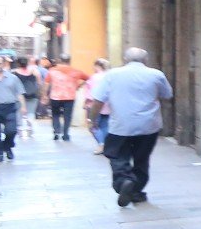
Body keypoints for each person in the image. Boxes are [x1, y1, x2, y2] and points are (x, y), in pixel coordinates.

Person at [88, 48, 172, 208]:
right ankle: (136, 192)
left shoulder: (112, 75)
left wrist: (92, 119)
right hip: (148, 125)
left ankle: (124, 180)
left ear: (125, 59)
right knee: (142, 159)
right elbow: (167, 94)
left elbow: (98, 100)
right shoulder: (156, 74)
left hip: (120, 125)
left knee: (117, 155)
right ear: (146, 60)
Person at [45, 60, 85, 140]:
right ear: (69, 61)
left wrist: (44, 95)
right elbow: (88, 78)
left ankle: (56, 132)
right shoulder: (76, 71)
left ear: (60, 61)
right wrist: (78, 85)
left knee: (55, 115)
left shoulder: (52, 71)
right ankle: (65, 134)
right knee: (67, 116)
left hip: (55, 97)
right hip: (69, 97)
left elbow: (46, 83)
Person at [84, 59, 112, 149]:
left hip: (95, 105)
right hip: (108, 105)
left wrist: (86, 103)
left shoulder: (94, 77)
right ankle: (105, 144)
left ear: (97, 66)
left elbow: (90, 93)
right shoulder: (110, 76)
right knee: (105, 126)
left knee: (92, 126)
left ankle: (101, 143)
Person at [12, 57, 42, 140]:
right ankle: (30, 130)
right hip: (32, 95)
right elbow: (39, 83)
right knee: (31, 113)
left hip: (18, 95)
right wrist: (40, 93)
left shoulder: (14, 72)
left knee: (18, 113)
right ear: (27, 63)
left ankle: (19, 131)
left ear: (18, 63)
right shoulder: (34, 71)